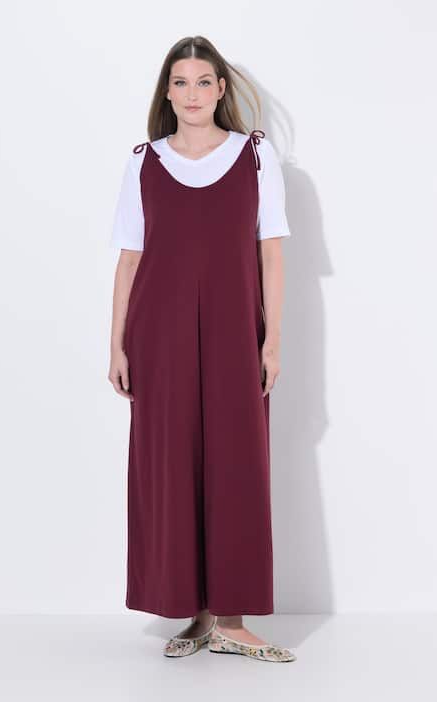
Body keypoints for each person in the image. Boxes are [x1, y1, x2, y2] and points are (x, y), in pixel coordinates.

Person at [108, 36, 296, 663]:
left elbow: (271, 252)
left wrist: (272, 339)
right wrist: (117, 345)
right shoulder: (143, 162)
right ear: (167, 92)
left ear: (220, 89)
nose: (192, 93)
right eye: (180, 82)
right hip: (157, 333)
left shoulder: (255, 156)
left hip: (236, 330)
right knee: (172, 464)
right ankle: (197, 611)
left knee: (237, 461)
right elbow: (129, 260)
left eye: (203, 81)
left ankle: (233, 620)